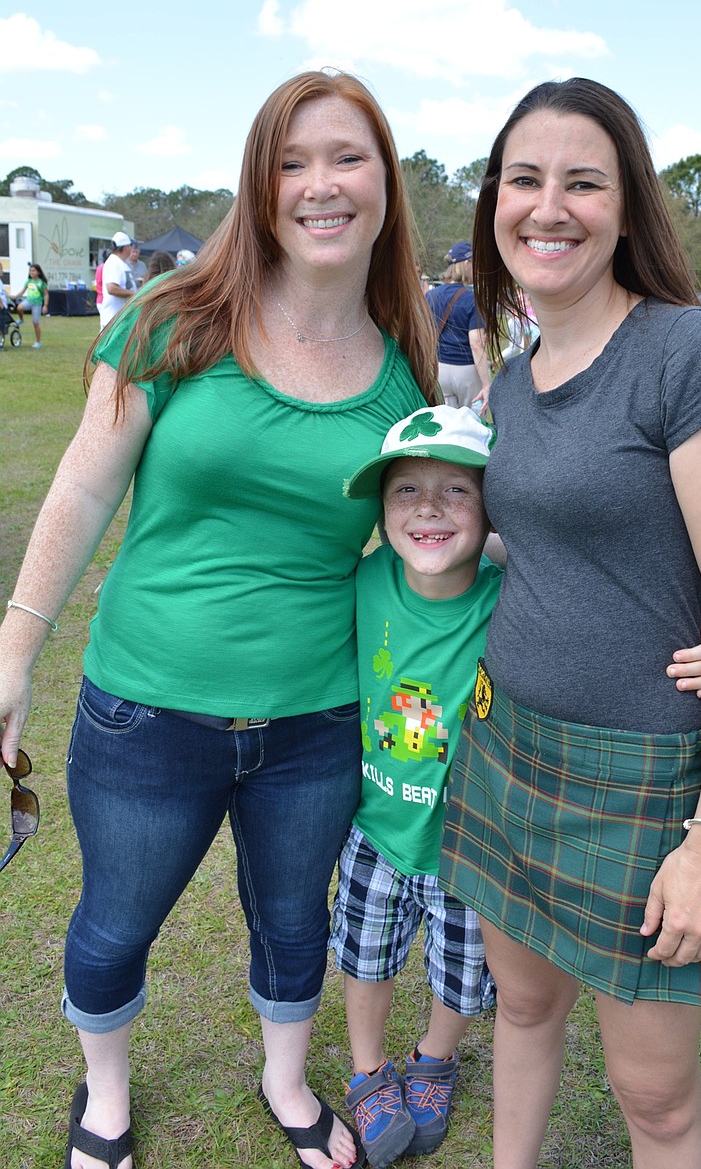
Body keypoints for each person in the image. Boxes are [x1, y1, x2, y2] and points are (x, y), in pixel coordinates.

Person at [0, 68, 439, 1169]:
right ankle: (103, 1101)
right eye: (292, 162)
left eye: (346, 157)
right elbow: (81, 492)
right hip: (144, 716)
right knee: (114, 925)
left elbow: (431, 538)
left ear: (384, 182)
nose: (321, 185)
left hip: (316, 724)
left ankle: (285, 1081)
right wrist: (14, 650)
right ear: (259, 186)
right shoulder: (176, 318)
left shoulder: (407, 364)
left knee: (294, 925)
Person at [439, 77, 701, 1169]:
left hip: (640, 782)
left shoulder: (688, 355)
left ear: (625, 207)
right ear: (494, 202)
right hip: (505, 752)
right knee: (525, 1012)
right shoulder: (515, 380)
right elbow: (532, 544)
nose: (549, 207)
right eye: (524, 180)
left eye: (582, 182)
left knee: (657, 1101)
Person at [332, 402, 701, 1168]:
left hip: (475, 837)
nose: (430, 509)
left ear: (494, 509)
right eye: (405, 490)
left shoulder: (511, 595)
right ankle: (370, 1071)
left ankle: (435, 1058)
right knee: (365, 956)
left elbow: (606, 603)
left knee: (463, 967)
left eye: (457, 491)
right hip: (374, 828)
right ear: (379, 509)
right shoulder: (362, 578)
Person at [426, 242, 491, 411]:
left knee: (448, 426)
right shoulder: (472, 299)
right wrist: (486, 383)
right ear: (467, 263)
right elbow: (476, 343)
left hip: (439, 369)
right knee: (473, 424)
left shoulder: (431, 295)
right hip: (466, 371)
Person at [97, 232, 136, 331]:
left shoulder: (119, 263)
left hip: (119, 319)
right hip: (113, 319)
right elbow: (112, 288)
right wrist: (135, 294)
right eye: (130, 246)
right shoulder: (113, 263)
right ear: (126, 247)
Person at [12, 262, 49, 347]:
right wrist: (15, 296)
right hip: (28, 301)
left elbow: (46, 294)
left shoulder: (41, 283)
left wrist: (45, 305)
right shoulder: (28, 281)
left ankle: (38, 342)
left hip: (37, 304)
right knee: (19, 308)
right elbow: (22, 292)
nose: (31, 272)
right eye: (30, 271)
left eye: (33, 271)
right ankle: (21, 320)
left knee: (35, 323)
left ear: (38, 272)